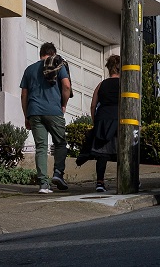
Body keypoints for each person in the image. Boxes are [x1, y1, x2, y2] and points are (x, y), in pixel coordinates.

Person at [20, 42, 71, 194]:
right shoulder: (58, 65)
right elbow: (66, 86)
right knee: (60, 143)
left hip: (34, 111)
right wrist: (64, 104)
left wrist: (26, 115)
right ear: (53, 53)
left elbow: (24, 95)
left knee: (41, 147)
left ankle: (43, 184)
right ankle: (58, 173)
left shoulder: (29, 69)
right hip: (53, 111)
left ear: (40, 54)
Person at [77, 55, 120, 192]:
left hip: (102, 118)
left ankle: (100, 183)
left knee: (102, 153)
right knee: (124, 152)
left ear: (109, 69)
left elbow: (93, 105)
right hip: (119, 119)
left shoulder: (101, 84)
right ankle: (130, 180)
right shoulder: (125, 84)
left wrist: (96, 121)